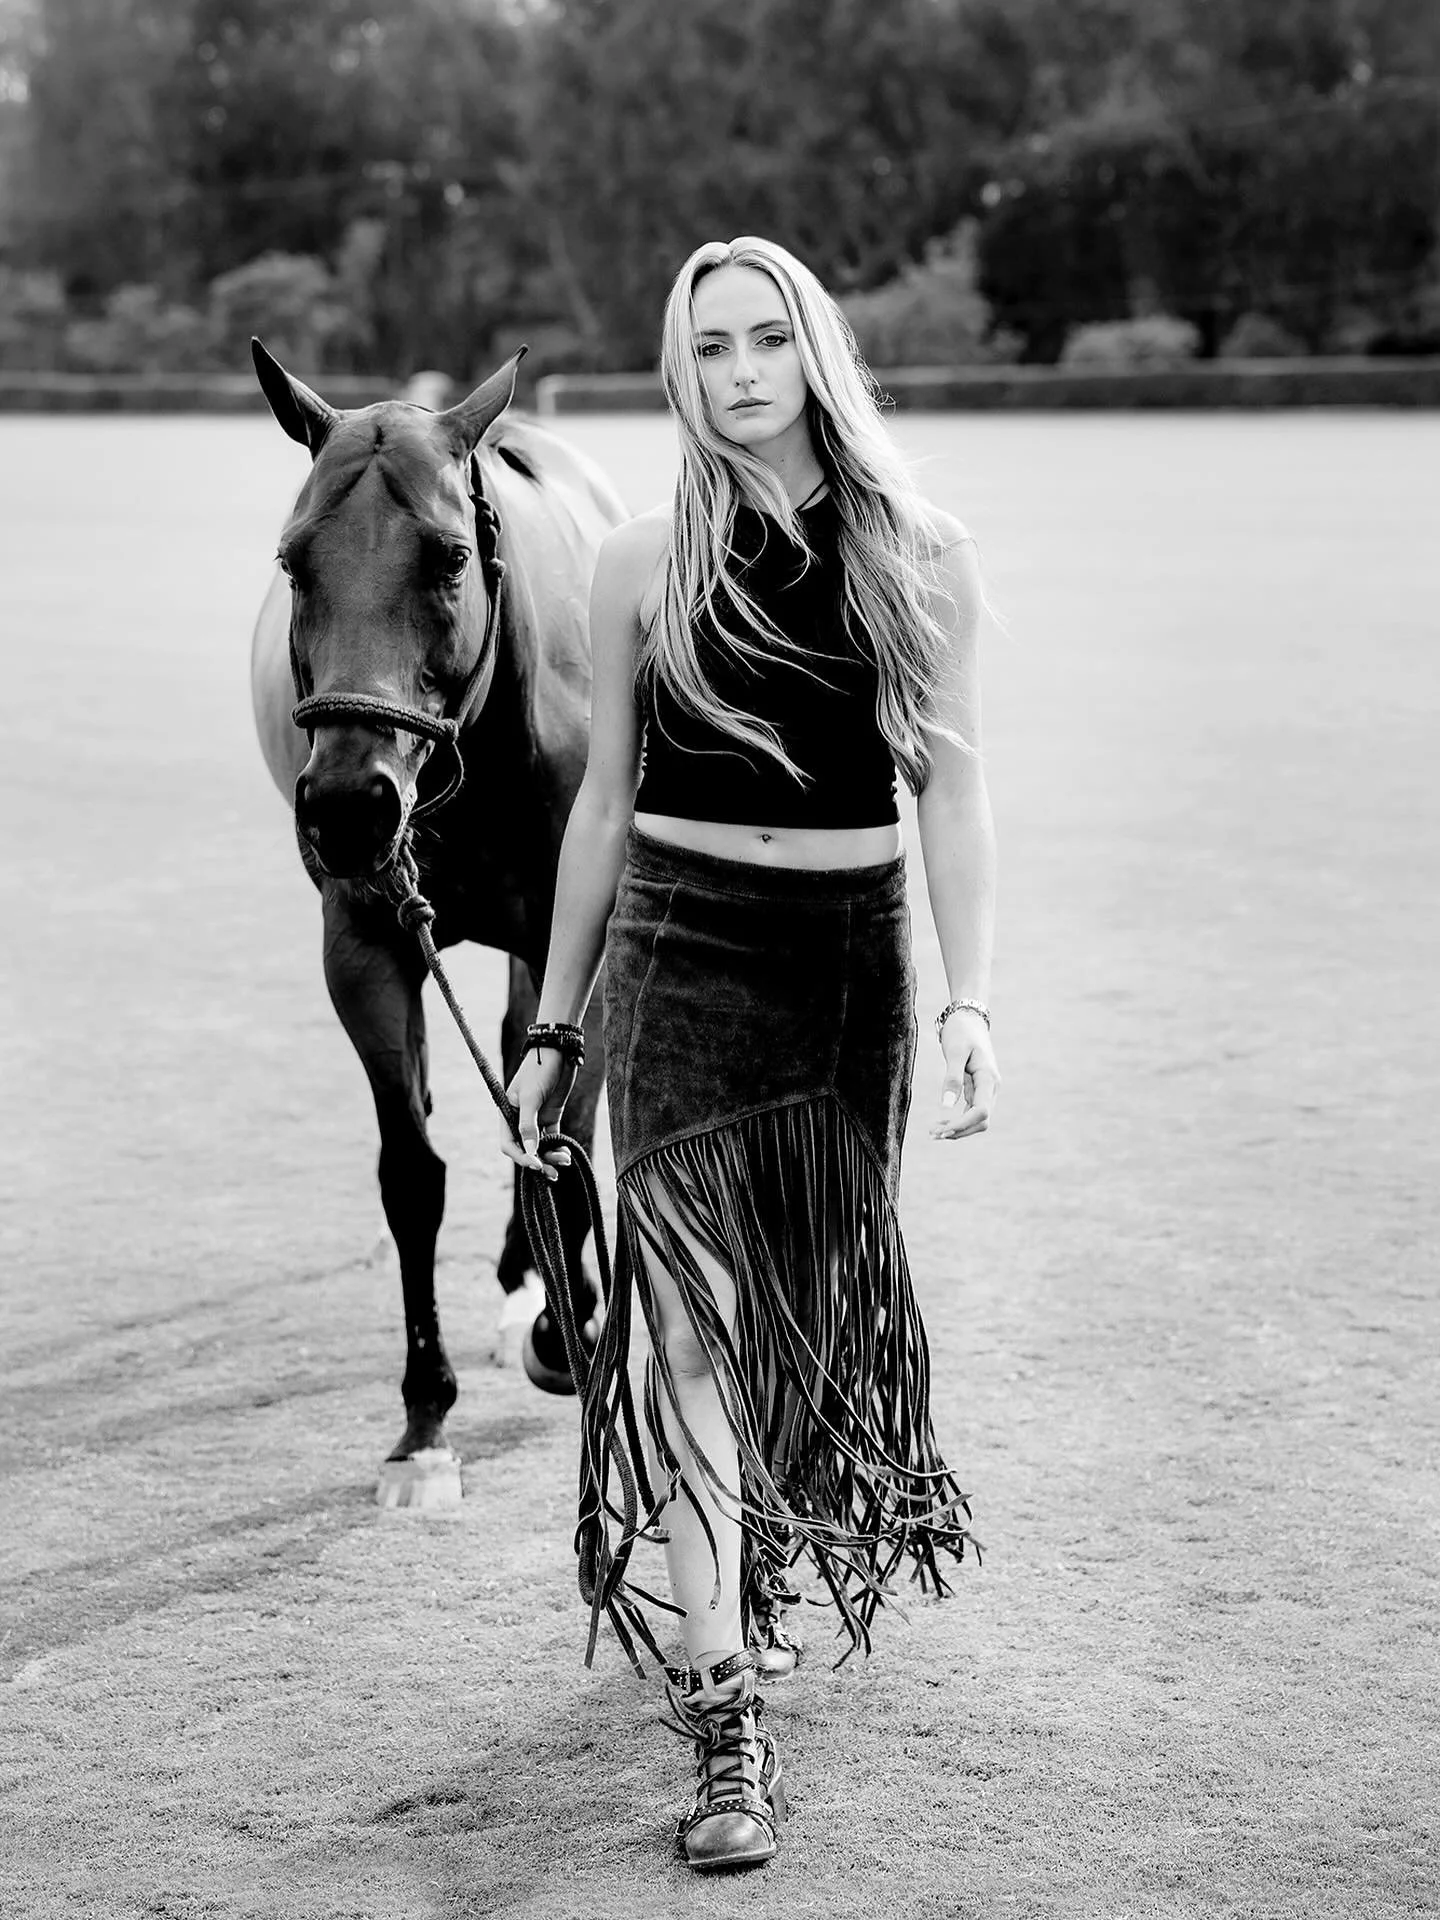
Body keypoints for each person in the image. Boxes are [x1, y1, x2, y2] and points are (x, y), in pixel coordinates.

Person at [501, 234, 998, 1873]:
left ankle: (752, 1558)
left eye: (762, 339)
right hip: (680, 959)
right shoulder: (641, 562)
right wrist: (559, 1025)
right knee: (697, 1332)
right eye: (704, 346)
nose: (733, 373)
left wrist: (967, 997)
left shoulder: (917, 553)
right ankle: (722, 1708)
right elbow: (600, 806)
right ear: (679, 367)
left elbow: (953, 788)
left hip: (849, 974)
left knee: (803, 1310)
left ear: (813, 350)